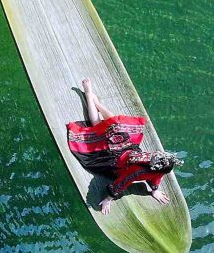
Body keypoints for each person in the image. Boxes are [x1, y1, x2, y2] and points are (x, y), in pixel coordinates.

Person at [68, 78, 183, 211]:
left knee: (105, 124)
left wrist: (154, 191)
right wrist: (108, 199)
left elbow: (145, 179)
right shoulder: (145, 169)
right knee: (110, 124)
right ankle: (93, 100)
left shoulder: (147, 166)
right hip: (121, 154)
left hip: (121, 154)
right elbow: (125, 182)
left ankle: (92, 98)